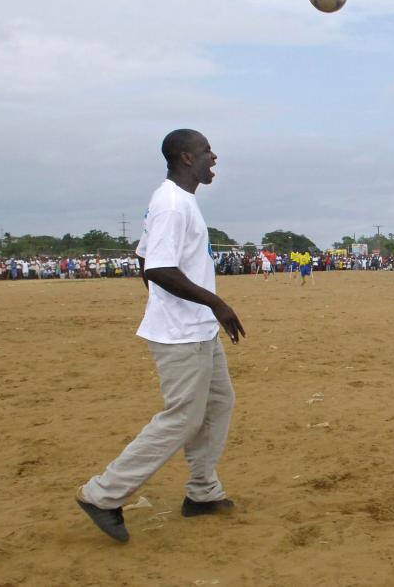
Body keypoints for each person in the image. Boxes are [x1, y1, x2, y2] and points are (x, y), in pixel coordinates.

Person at [75, 129, 245, 543]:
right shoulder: (171, 203)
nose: (214, 157)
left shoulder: (180, 201)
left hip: (196, 328)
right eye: (207, 151)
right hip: (181, 334)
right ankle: (103, 494)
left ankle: (202, 492)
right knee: (182, 417)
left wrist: (181, 307)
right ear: (187, 157)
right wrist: (214, 304)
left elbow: (143, 257)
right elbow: (157, 269)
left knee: (219, 403)